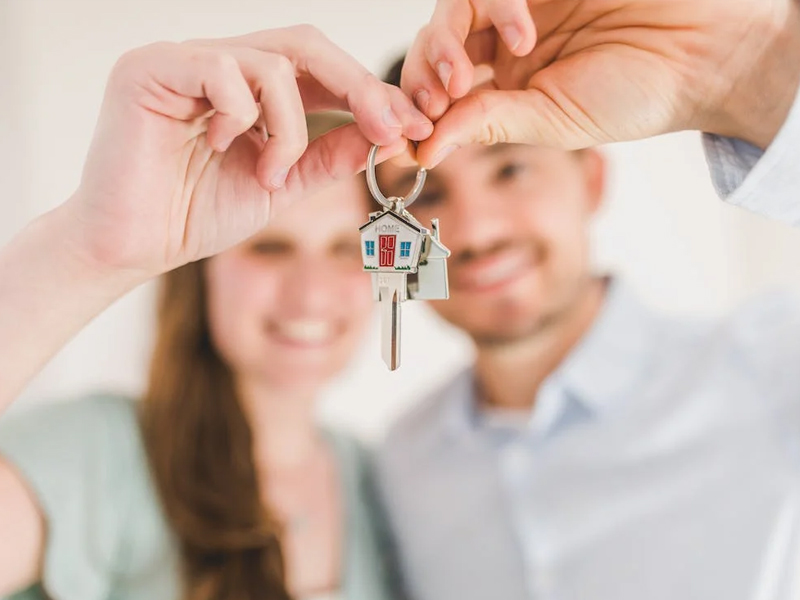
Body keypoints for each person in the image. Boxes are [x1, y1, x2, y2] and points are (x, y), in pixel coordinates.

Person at [374, 1, 800, 599]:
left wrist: (754, 68)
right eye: (423, 194)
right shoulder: (400, 463)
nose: (472, 232)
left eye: (511, 169)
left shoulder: (773, 364)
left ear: (591, 181)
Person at [0, 25, 436, 600]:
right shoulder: (94, 453)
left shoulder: (376, 478)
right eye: (269, 248)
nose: (310, 294)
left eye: (343, 249)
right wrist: (88, 251)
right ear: (202, 272)